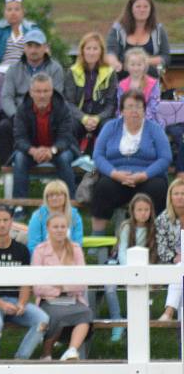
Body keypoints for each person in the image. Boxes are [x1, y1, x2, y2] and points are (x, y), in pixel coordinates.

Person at [0, 204, 48, 360]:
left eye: (5, 220)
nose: (2, 224)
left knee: (42, 320)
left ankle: (21, 359)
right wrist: (1, 305)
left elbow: (26, 283)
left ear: (11, 221)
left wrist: (21, 303)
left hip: (15, 302)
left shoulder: (21, 250)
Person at [91, 90, 171, 235]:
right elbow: (98, 155)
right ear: (121, 110)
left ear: (144, 110)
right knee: (103, 187)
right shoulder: (110, 127)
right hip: (116, 177)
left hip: (147, 178)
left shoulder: (155, 129)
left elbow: (165, 158)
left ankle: (155, 237)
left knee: (158, 188)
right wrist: (115, 174)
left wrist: (144, 175)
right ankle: (98, 239)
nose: (134, 111)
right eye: (130, 107)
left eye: (138, 107)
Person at [0, 30, 65, 167]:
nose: (33, 50)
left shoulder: (56, 69)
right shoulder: (13, 69)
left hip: (46, 114)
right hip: (18, 113)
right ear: (24, 48)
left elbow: (57, 97)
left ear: (45, 47)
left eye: (37, 46)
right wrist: (16, 115)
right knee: (3, 127)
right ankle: (6, 169)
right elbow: (6, 97)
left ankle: (51, 166)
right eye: (29, 45)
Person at [32, 213, 92, 361]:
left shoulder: (75, 249)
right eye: (55, 227)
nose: (59, 230)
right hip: (48, 300)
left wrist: (62, 286)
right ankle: (46, 354)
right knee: (56, 316)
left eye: (63, 226)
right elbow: (37, 287)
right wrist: (58, 289)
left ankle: (71, 351)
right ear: (48, 228)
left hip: (73, 299)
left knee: (85, 313)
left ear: (67, 228)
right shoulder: (40, 251)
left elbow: (82, 283)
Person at [12, 73, 77, 199]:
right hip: (32, 151)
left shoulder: (63, 107)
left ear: (52, 91)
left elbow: (66, 138)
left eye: (46, 91)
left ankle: (70, 204)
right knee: (19, 158)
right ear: (31, 92)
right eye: (38, 91)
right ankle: (19, 205)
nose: (42, 95)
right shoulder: (22, 108)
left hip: (58, 150)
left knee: (64, 159)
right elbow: (19, 138)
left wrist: (51, 150)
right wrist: (33, 150)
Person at [110, 193, 158, 341]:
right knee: (109, 287)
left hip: (146, 266)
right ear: (133, 211)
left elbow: (154, 253)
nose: (143, 213)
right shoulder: (126, 226)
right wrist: (130, 269)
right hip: (125, 265)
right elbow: (122, 250)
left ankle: (141, 322)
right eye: (139, 210)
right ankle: (117, 321)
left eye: (146, 210)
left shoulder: (154, 228)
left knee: (145, 288)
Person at [62, 32, 117, 154]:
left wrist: (97, 118)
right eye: (88, 48)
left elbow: (111, 105)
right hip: (79, 117)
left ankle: (103, 160)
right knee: (68, 125)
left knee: (109, 126)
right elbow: (69, 103)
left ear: (101, 52)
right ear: (82, 51)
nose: (91, 52)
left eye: (95, 49)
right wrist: (84, 118)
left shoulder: (110, 73)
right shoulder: (72, 72)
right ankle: (75, 158)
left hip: (100, 117)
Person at [106, 0, 170, 78]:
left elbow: (165, 57)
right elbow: (110, 52)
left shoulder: (159, 30)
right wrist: (114, 63)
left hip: (150, 79)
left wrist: (142, 61)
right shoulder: (117, 30)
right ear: (131, 9)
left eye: (145, 7)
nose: (142, 10)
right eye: (138, 6)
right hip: (122, 79)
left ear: (151, 10)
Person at [154, 178, 184, 322]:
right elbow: (161, 247)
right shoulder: (162, 219)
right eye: (176, 193)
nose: (180, 197)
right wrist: (174, 257)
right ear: (170, 196)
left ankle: (169, 312)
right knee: (180, 267)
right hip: (172, 263)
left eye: (183, 193)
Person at [27, 180, 84, 254]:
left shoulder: (75, 216)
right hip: (43, 260)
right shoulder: (38, 216)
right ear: (46, 197)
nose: (54, 198)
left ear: (65, 196)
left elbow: (78, 244)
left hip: (69, 259)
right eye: (50, 195)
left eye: (58, 194)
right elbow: (33, 245)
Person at [115, 49, 161, 125]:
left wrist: (139, 118)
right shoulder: (121, 85)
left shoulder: (153, 83)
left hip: (149, 121)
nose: (136, 68)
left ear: (145, 66)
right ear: (126, 66)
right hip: (127, 121)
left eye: (139, 65)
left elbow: (153, 107)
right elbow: (120, 107)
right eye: (132, 65)